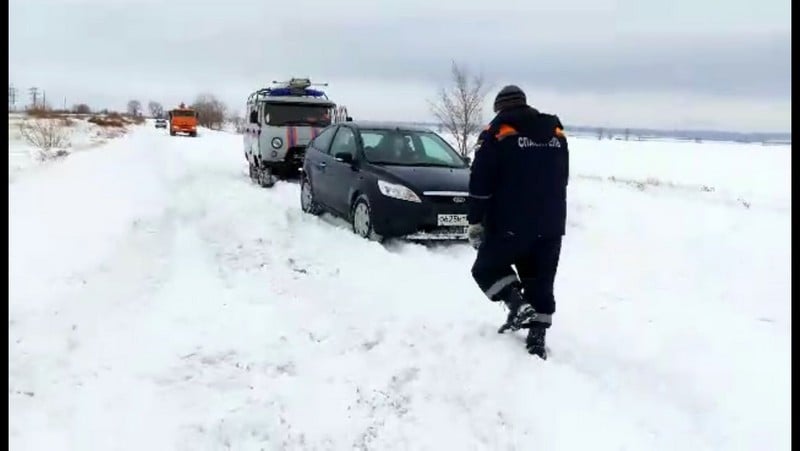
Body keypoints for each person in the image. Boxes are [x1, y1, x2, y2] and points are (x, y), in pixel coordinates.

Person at [467, 85, 569, 359]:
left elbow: (480, 183)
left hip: (510, 222)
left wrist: (475, 220)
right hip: (550, 223)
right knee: (541, 279)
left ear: (500, 108)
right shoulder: (555, 134)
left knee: (486, 268)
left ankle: (516, 303)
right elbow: (562, 177)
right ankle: (537, 338)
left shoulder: (497, 133)